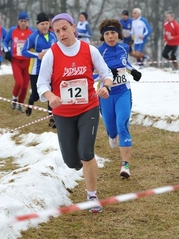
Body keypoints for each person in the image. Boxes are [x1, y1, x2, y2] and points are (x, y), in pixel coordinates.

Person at [37, 13, 113, 213]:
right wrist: (51, 96)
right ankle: (83, 164)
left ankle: (92, 196)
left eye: (65, 28)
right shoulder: (51, 54)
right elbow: (41, 84)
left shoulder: (90, 50)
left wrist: (106, 87)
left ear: (73, 28)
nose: (62, 34)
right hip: (63, 112)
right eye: (57, 31)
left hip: (88, 107)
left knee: (86, 152)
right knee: (72, 161)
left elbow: (106, 74)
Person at [96, 18, 142, 179]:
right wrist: (108, 73)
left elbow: (125, 64)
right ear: (103, 36)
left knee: (122, 125)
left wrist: (133, 71)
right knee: (112, 128)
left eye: (113, 33)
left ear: (118, 34)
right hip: (106, 95)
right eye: (107, 33)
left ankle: (125, 165)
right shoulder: (98, 52)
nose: (111, 36)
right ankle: (112, 134)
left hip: (123, 92)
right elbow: (93, 74)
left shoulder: (124, 48)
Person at [21, 12, 57, 127]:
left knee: (50, 93)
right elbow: (23, 51)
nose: (45, 26)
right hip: (36, 70)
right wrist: (37, 55)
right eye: (42, 24)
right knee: (36, 95)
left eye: (46, 23)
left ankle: (52, 119)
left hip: (51, 70)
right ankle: (30, 103)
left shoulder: (53, 36)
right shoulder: (33, 37)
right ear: (38, 25)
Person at [3, 11, 35, 113]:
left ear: (28, 22)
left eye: (25, 21)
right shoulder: (13, 30)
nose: (23, 23)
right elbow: (5, 41)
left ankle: (20, 105)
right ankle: (14, 98)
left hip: (27, 61)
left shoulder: (32, 32)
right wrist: (7, 51)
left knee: (25, 86)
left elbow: (38, 39)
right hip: (16, 61)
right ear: (18, 21)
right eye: (21, 21)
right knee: (19, 82)